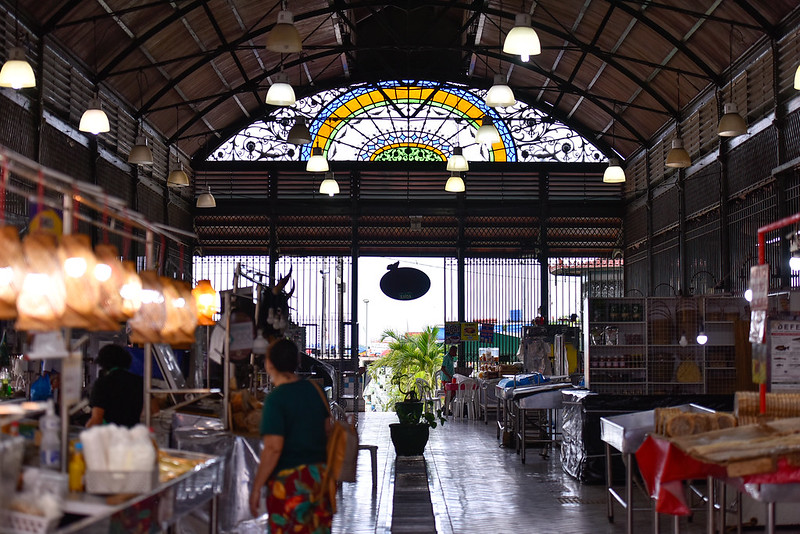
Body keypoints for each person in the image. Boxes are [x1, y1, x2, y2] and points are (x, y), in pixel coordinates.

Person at [249, 338, 333, 533]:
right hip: (319, 480)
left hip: (290, 484)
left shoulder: (276, 400)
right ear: (297, 362)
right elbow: (327, 429)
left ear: (269, 364)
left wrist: (256, 487)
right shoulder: (316, 390)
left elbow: (273, 448)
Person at [86, 344, 144, 428]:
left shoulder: (102, 383)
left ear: (102, 362)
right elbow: (154, 409)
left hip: (111, 436)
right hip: (133, 434)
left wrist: (83, 434)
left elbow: (97, 419)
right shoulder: (139, 381)